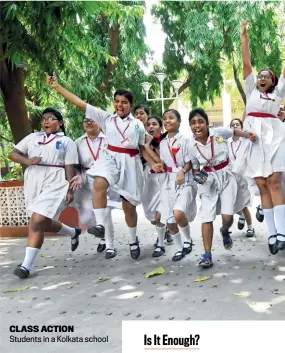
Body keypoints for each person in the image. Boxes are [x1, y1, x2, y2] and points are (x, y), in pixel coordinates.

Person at [46, 73, 158, 260]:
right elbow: (80, 103)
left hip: (130, 163)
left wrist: (156, 163)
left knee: (129, 208)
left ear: (130, 104)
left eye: (124, 102)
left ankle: (132, 240)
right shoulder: (106, 118)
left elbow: (142, 148)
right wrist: (57, 87)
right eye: (116, 101)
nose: (119, 105)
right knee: (99, 182)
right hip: (110, 158)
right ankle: (100, 226)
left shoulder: (138, 124)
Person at [9, 108, 80, 278]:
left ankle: (25, 266)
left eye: (51, 118)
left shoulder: (67, 142)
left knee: (37, 220)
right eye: (44, 119)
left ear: (60, 123)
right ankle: (72, 232)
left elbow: (70, 167)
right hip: (33, 180)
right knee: (43, 221)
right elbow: (13, 154)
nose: (46, 122)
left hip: (56, 181)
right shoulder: (33, 138)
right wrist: (28, 161)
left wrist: (70, 190)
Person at [235, 20, 285, 255]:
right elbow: (246, 62)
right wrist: (244, 35)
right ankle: (272, 234)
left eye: (267, 76)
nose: (262, 77)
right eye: (260, 75)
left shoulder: (278, 93)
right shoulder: (251, 90)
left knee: (274, 182)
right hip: (254, 140)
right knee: (263, 185)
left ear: (273, 82)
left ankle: (282, 231)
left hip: (275, 139)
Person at [188, 108, 255, 268]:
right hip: (208, 180)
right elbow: (195, 166)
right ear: (190, 126)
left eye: (200, 122)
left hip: (227, 176)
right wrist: (197, 175)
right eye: (193, 123)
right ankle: (207, 255)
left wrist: (249, 135)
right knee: (206, 216)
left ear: (206, 123)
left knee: (227, 217)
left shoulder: (218, 133)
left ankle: (225, 230)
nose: (197, 126)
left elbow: (234, 132)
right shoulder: (190, 145)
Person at [69, 117, 119, 259]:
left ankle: (110, 246)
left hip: (105, 178)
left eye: (92, 120)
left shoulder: (109, 139)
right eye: (85, 120)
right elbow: (75, 164)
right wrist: (78, 175)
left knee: (105, 213)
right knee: (85, 219)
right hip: (86, 178)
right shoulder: (78, 142)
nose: (89, 123)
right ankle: (102, 236)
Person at [153, 109, 197, 261]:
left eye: (171, 118)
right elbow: (165, 162)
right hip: (168, 182)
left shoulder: (186, 141)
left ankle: (188, 240)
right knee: (169, 220)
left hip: (185, 180)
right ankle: (179, 248)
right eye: (165, 118)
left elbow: (190, 162)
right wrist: (159, 167)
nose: (167, 121)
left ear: (179, 122)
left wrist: (183, 171)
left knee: (178, 213)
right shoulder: (163, 143)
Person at [228, 118, 255, 237]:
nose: (235, 126)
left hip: (243, 176)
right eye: (233, 125)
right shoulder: (225, 142)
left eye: (237, 124)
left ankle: (250, 228)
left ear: (241, 126)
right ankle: (241, 217)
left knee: (244, 204)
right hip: (230, 177)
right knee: (231, 203)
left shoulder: (246, 141)